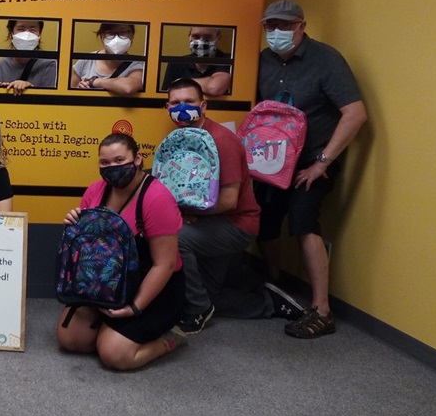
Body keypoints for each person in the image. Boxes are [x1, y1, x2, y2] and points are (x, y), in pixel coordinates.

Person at [255, 0, 368, 339]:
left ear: (302, 26)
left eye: (285, 26)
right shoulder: (262, 61)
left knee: (304, 222)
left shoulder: (326, 60)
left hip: (312, 160)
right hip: (272, 159)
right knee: (265, 218)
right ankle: (274, 283)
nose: (277, 32)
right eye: (270, 26)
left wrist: (322, 163)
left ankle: (321, 309)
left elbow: (356, 113)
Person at [162, 78, 300, 333]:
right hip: (209, 222)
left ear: (203, 106)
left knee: (175, 238)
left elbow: (228, 201)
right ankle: (270, 302)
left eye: (189, 102)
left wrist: (187, 214)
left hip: (236, 224)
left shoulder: (221, 141)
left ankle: (197, 311)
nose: (182, 108)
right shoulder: (179, 138)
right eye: (176, 103)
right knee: (209, 295)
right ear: (166, 107)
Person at [55, 132, 187, 370]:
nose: (112, 167)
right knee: (70, 339)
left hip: (154, 288)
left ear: (137, 159)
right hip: (108, 282)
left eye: (119, 160)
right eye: (104, 162)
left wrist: (134, 307)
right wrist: (75, 223)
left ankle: (169, 339)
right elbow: (88, 249)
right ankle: (112, 331)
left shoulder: (157, 198)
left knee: (114, 355)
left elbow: (164, 264)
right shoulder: (96, 191)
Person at [70, 22, 144, 94]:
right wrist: (80, 88)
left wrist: (94, 81)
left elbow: (128, 87)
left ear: (132, 35)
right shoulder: (86, 60)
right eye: (111, 33)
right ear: (102, 36)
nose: (116, 39)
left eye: (123, 32)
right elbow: (70, 93)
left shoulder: (136, 67)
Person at [0, 19, 58, 94]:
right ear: (11, 34)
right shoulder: (0, 66)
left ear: (39, 34)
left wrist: (30, 89)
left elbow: (51, 102)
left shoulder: (48, 66)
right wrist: (3, 92)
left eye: (32, 30)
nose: (27, 35)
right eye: (21, 29)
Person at [160, 26, 231, 96]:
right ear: (189, 37)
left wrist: (181, 81)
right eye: (196, 37)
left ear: (218, 38)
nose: (201, 42)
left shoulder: (228, 60)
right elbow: (166, 97)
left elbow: (214, 88)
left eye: (207, 37)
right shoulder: (176, 64)